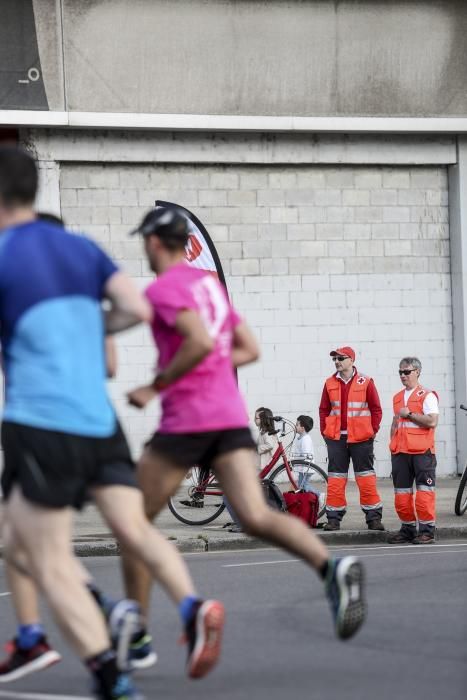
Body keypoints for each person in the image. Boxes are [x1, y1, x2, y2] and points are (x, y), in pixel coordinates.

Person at [0, 148, 224, 700]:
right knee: (121, 528)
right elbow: (136, 310)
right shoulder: (81, 249)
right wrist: (85, 326)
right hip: (100, 423)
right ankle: (188, 606)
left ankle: (107, 672)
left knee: (47, 558)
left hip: (41, 422)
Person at [122, 206, 367, 646]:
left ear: (156, 243)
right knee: (254, 515)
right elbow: (249, 349)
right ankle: (331, 567)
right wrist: (212, 364)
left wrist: (155, 385)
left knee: (133, 523)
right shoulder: (210, 288)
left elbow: (196, 341)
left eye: (145, 242)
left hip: (187, 419)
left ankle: (137, 636)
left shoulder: (165, 288)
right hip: (229, 417)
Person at [319, 347, 384, 532]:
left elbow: (376, 409)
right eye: (335, 359)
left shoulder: (367, 381)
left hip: (362, 439)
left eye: (341, 358)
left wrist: (372, 431)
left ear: (351, 360)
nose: (337, 361)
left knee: (366, 478)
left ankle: (373, 519)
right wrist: (325, 432)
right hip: (337, 439)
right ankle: (333, 519)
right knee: (336, 479)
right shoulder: (329, 382)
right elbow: (323, 409)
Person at [387, 357, 439, 545]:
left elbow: (432, 421)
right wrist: (392, 444)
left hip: (422, 453)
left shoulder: (427, 395)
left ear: (417, 371)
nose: (403, 375)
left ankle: (426, 531)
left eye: (407, 372)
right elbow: (395, 423)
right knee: (401, 494)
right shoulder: (397, 397)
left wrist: (409, 414)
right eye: (400, 372)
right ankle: (407, 529)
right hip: (400, 453)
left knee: (424, 493)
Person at [292, 415, 315, 490]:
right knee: (302, 486)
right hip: (303, 468)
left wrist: (295, 459)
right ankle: (308, 500)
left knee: (304, 486)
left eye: (297, 425)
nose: (295, 426)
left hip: (306, 468)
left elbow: (306, 455)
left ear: (303, 428)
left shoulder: (306, 439)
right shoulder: (300, 438)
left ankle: (319, 495)